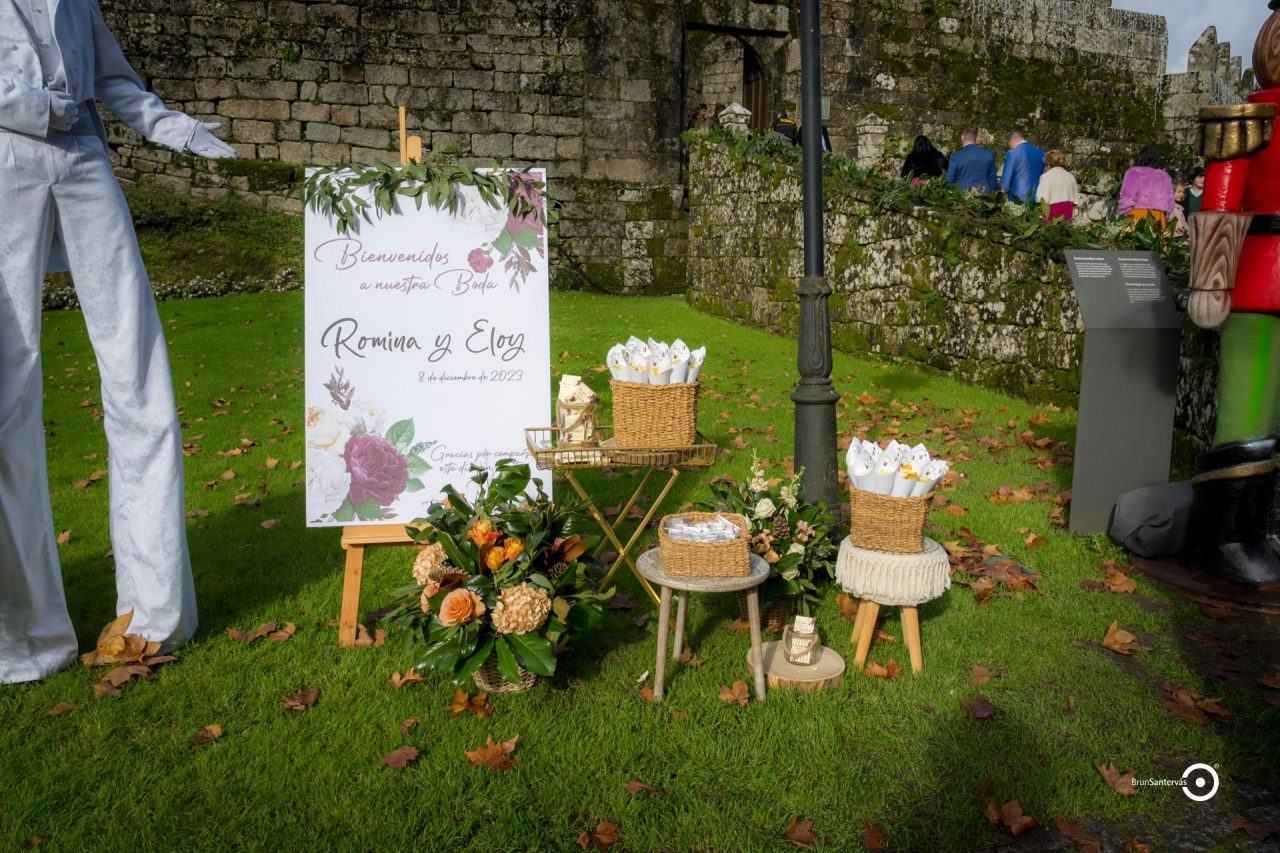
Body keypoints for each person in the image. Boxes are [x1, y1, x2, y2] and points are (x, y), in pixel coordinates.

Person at [0, 0, 235, 683]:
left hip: (81, 156)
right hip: (8, 158)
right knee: (10, 390)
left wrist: (179, 129)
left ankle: (156, 612)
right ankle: (27, 636)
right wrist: (40, 110)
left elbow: (114, 80)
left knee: (139, 369)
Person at [1117, 146, 1175, 226]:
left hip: (1137, 214)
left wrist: (1122, 214)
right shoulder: (1164, 176)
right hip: (1158, 216)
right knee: (1156, 237)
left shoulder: (1133, 172)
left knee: (1134, 238)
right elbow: (1170, 201)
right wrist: (1166, 215)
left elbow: (1127, 197)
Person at [946, 127, 999, 193]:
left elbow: (949, 181)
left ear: (962, 137)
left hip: (963, 198)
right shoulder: (988, 155)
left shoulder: (956, 157)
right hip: (985, 198)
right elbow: (993, 180)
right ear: (975, 138)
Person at [1034, 150, 1081, 222]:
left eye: (1045, 165)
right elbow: (1075, 201)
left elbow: (1041, 200)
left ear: (1048, 164)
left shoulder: (1046, 176)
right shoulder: (1070, 176)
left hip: (1052, 215)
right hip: (1068, 215)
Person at [1000, 131, 1045, 204]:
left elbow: (1006, 182)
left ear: (1012, 141)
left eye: (1009, 144)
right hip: (1038, 197)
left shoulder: (1012, 153)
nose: (1010, 146)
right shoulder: (1041, 153)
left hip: (1018, 197)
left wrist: (1001, 195)